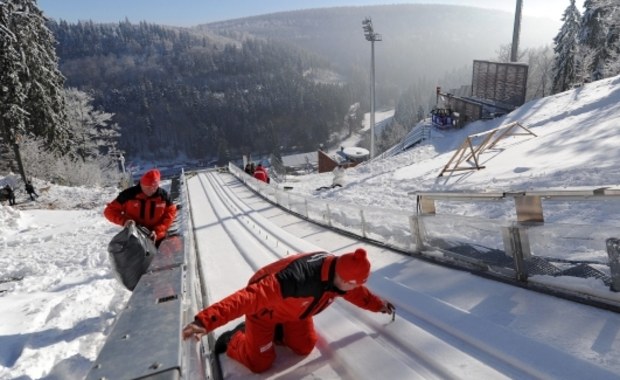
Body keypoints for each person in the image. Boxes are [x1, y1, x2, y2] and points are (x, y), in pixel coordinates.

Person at [182, 248, 395, 373]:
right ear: (343, 278)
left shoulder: (342, 278)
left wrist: (379, 305)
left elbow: (359, 294)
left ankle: (277, 333)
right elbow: (248, 298)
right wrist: (206, 321)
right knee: (260, 363)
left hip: (295, 313)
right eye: (352, 285)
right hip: (265, 311)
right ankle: (234, 339)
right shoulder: (298, 278)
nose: (353, 290)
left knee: (305, 346)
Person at [104, 169, 177, 245]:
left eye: (154, 187)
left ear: (157, 185)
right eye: (147, 187)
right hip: (134, 238)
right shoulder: (128, 195)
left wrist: (158, 230)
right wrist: (125, 221)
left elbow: (171, 213)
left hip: (157, 237)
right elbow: (109, 211)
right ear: (141, 184)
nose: (150, 190)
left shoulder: (164, 197)